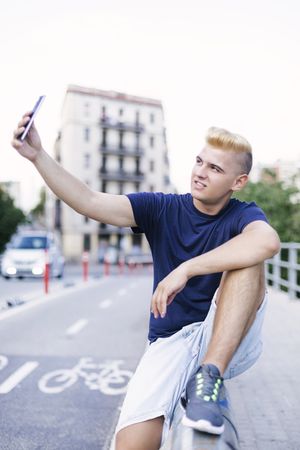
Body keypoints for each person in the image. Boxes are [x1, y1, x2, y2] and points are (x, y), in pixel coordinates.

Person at [12, 115, 280, 450]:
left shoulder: (243, 214)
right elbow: (89, 200)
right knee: (132, 445)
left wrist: (187, 269)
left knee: (249, 257)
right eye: (199, 161)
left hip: (224, 331)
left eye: (214, 168)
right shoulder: (162, 208)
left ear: (237, 182)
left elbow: (267, 242)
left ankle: (209, 377)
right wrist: (38, 155)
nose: (199, 173)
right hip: (169, 341)